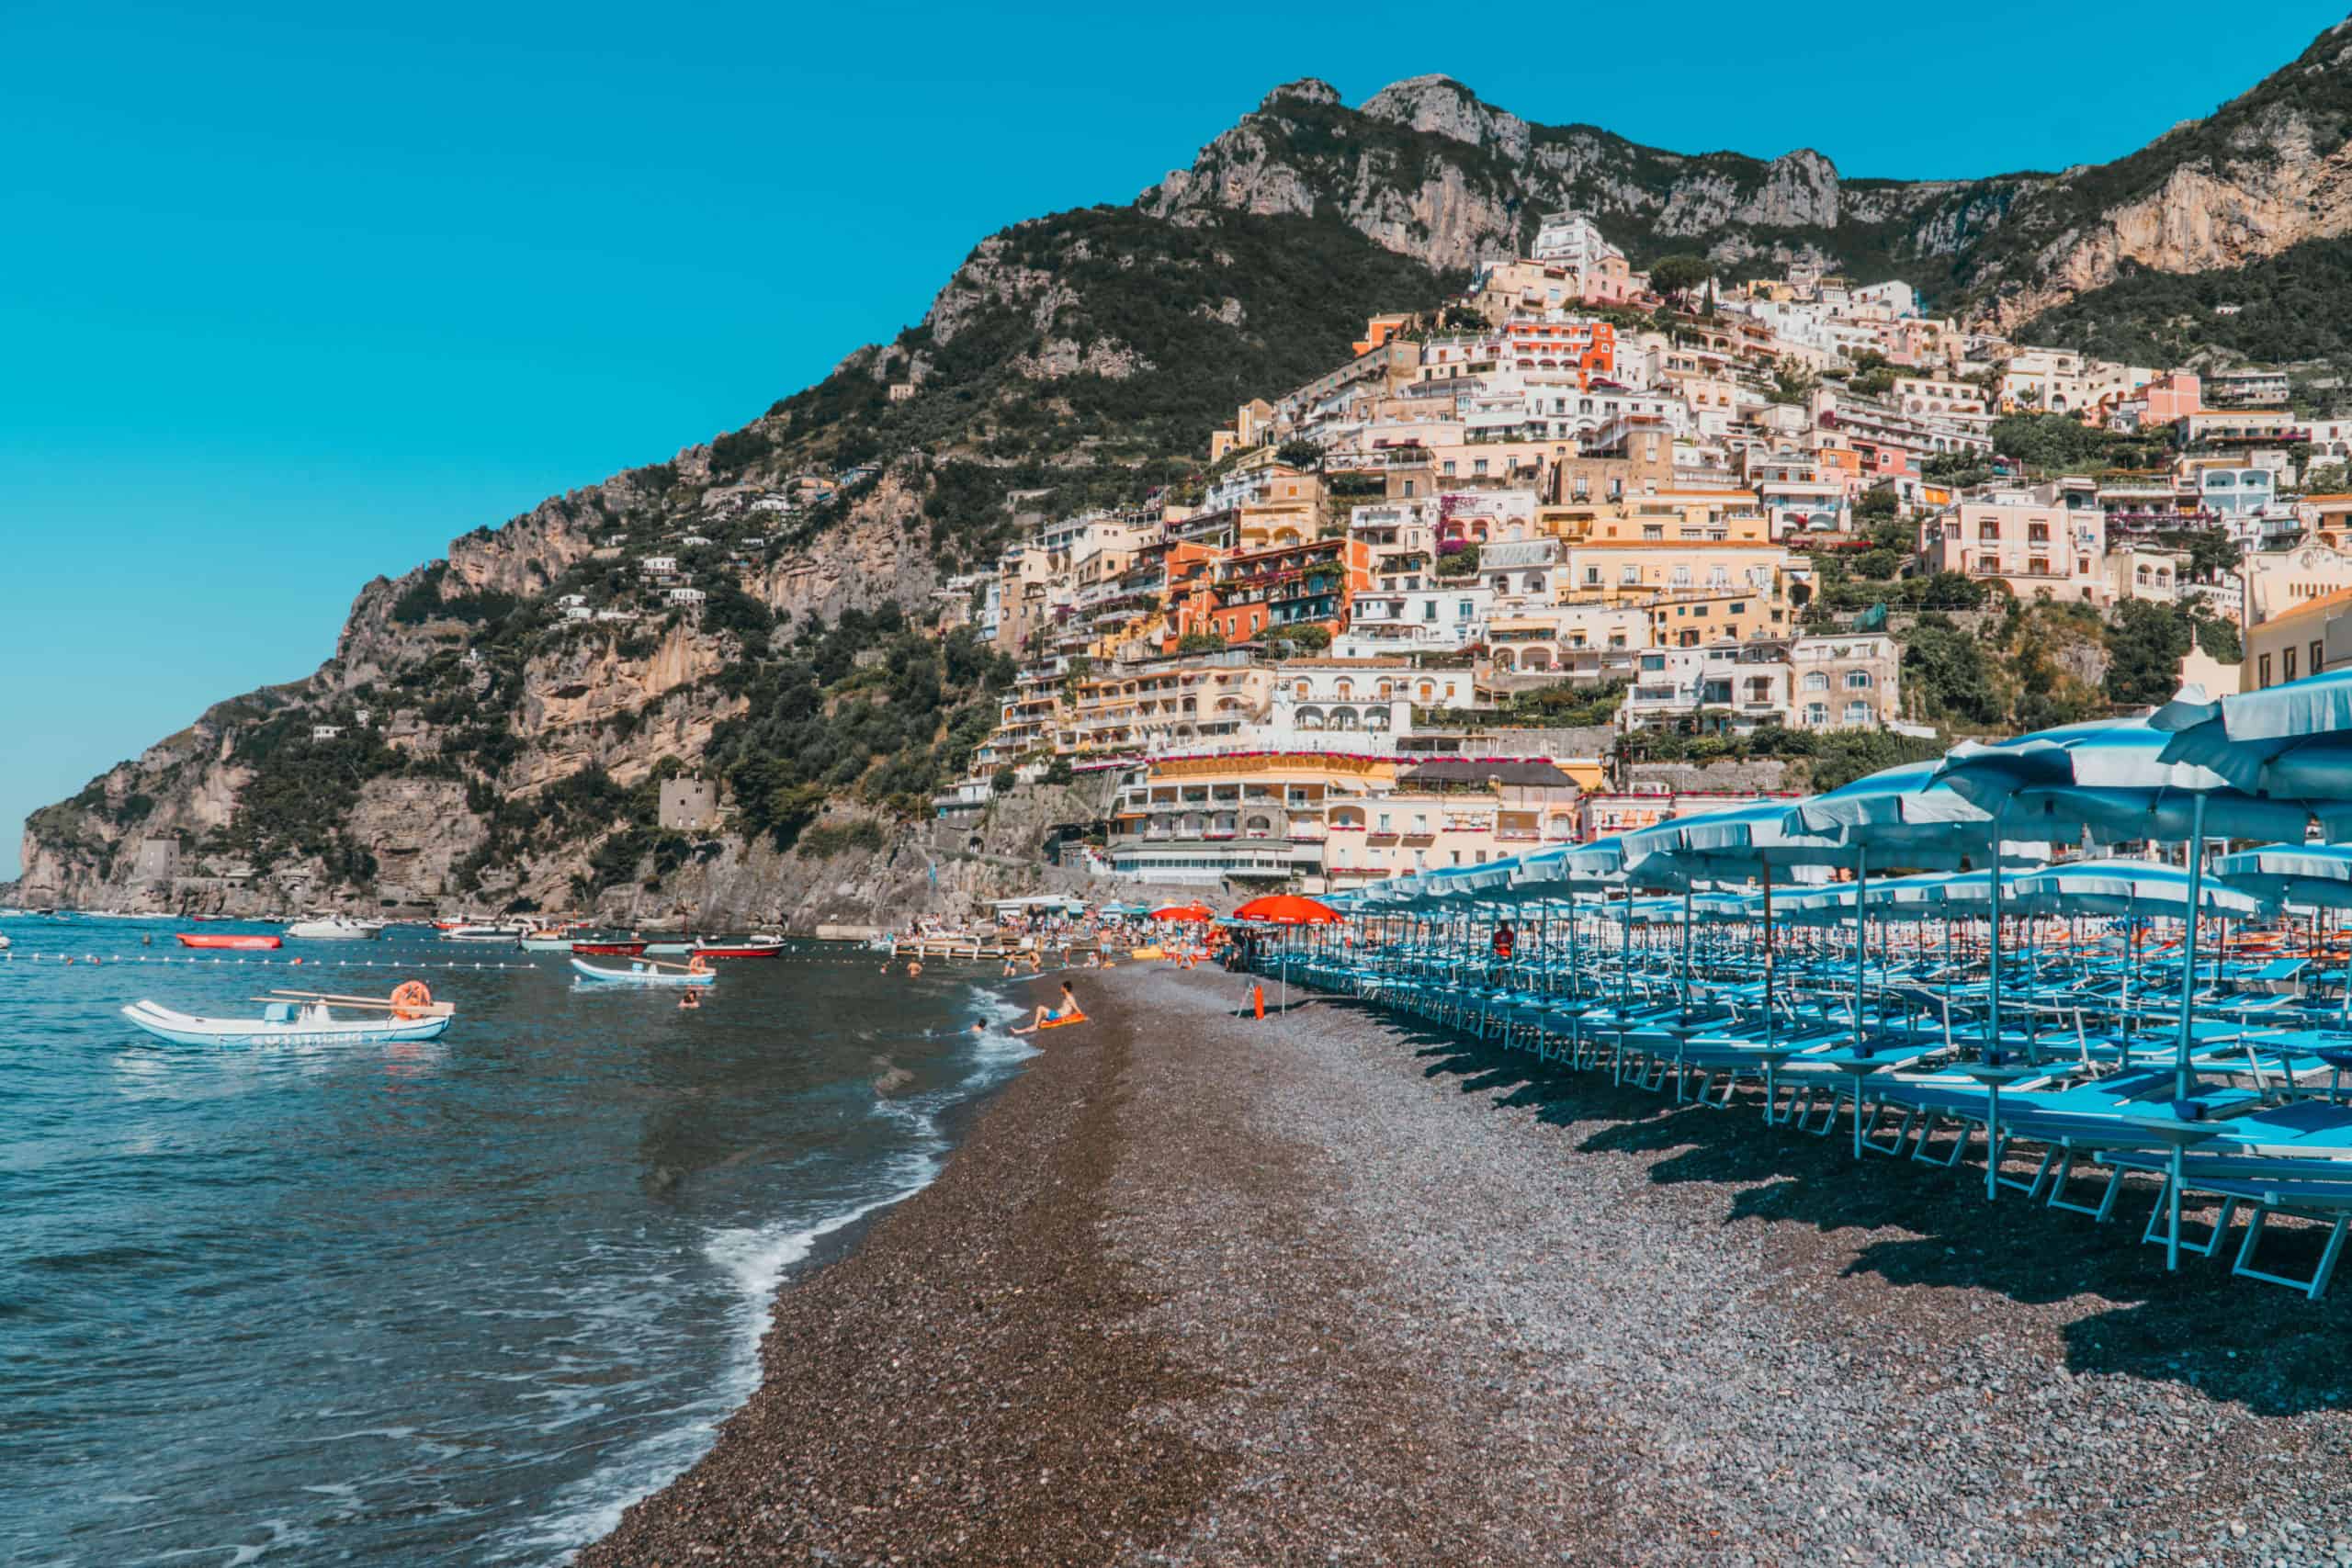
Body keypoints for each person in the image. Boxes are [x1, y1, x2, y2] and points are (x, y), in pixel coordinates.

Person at [1012, 982, 1082, 1034]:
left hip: (1058, 1017)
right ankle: (1019, 1031)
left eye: (1062, 987)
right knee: (1041, 1022)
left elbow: (1077, 1009)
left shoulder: (1070, 998)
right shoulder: (1068, 997)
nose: (1060, 989)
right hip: (1057, 1015)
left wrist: (1082, 1016)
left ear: (1065, 989)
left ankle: (1035, 1027)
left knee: (1040, 1008)